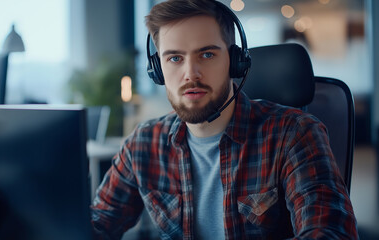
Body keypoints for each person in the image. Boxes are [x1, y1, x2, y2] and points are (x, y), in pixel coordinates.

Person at [91, 0, 358, 239]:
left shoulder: (294, 133)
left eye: (207, 54)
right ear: (158, 71)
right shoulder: (144, 143)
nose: (190, 74)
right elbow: (98, 224)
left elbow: (329, 233)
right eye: (174, 58)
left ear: (235, 62)